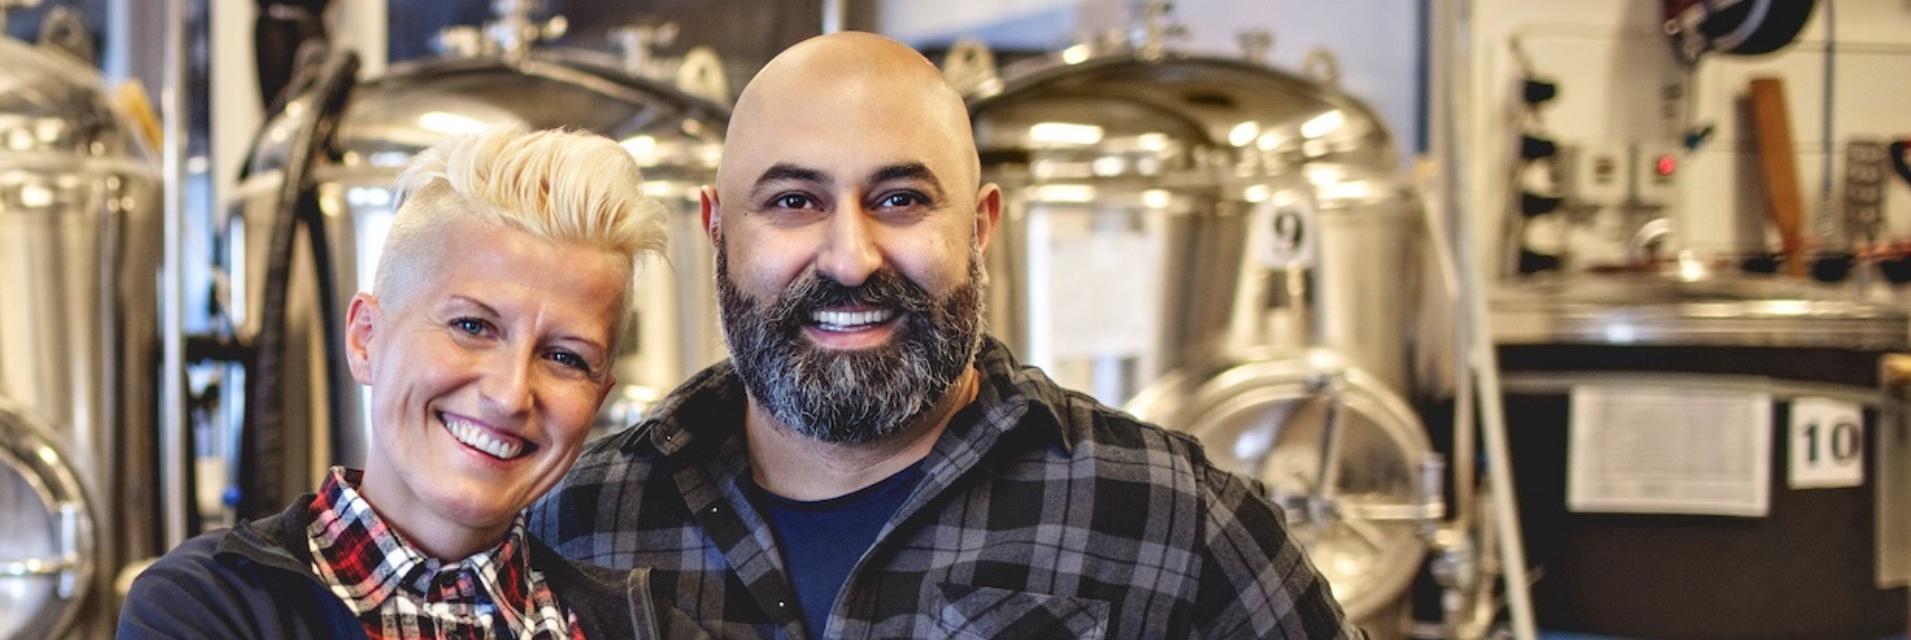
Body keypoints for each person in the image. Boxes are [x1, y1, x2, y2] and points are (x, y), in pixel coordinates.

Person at [529, 33, 1358, 639]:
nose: (850, 260)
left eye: (900, 200)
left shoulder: (1169, 518)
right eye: (793, 202)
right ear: (716, 229)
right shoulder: (578, 520)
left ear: (981, 226)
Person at [119, 126, 680, 639]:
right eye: (472, 327)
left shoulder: (653, 628)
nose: (510, 395)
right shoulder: (204, 606)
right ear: (366, 338)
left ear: (599, 399)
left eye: (564, 357)